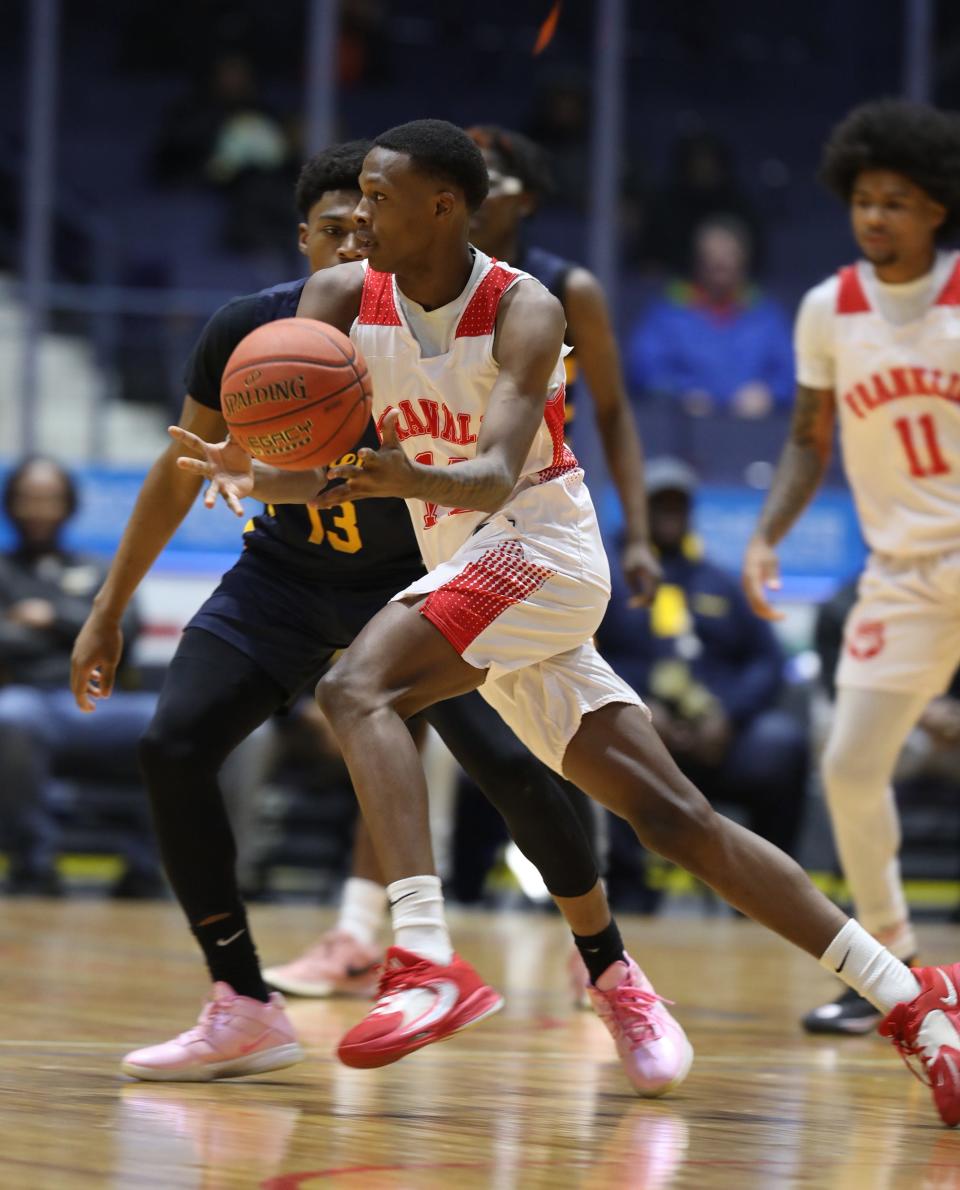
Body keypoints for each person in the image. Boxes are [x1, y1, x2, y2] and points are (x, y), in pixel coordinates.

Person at [185, 121, 960, 1125]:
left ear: (443, 208)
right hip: (471, 565)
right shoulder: (339, 300)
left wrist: (396, 472)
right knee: (680, 820)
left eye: (378, 199)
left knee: (355, 686)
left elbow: (495, 472)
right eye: (354, 201)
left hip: (541, 543)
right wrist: (259, 471)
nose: (356, 221)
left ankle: (421, 955)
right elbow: (318, 462)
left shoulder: (523, 304)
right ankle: (915, 999)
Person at [72, 140, 686, 1095]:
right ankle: (242, 1002)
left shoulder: (423, 323)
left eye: (365, 228)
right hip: (284, 575)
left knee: (524, 768)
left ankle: (608, 966)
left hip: (412, 572)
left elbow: (497, 458)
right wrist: (108, 609)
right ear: (303, 237)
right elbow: (185, 463)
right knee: (174, 743)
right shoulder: (256, 332)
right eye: (333, 231)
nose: (351, 247)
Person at [741, 98, 960, 1039]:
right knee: (850, 765)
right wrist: (767, 534)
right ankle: (895, 969)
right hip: (903, 572)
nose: (876, 217)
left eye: (897, 201)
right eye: (864, 200)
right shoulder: (829, 309)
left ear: (936, 209)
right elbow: (805, 438)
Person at [598, 457, 808, 868]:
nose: (669, 515)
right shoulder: (606, 579)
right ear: (638, 510)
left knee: (783, 746)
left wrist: (728, 716)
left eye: (678, 506)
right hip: (640, 736)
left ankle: (767, 889)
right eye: (659, 505)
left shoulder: (723, 583)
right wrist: (635, 708)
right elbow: (587, 654)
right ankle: (627, 895)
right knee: (602, 749)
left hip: (720, 739)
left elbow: (768, 661)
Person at [0, 457, 160, 896]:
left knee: (171, 719)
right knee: (11, 716)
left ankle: (149, 871)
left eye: (48, 499)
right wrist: (86, 626)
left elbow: (127, 630)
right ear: (11, 505)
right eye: (27, 499)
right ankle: (34, 865)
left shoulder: (98, 568)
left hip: (105, 704)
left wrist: (50, 618)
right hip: (32, 700)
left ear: (67, 505)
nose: (38, 509)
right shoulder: (3, 570)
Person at [627, 215, 794, 418]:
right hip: (682, 432)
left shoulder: (767, 316)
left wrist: (769, 394)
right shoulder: (668, 313)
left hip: (754, 436)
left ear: (744, 260)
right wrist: (681, 393)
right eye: (712, 257)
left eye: (729, 256)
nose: (720, 265)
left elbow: (793, 375)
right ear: (698, 261)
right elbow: (644, 370)